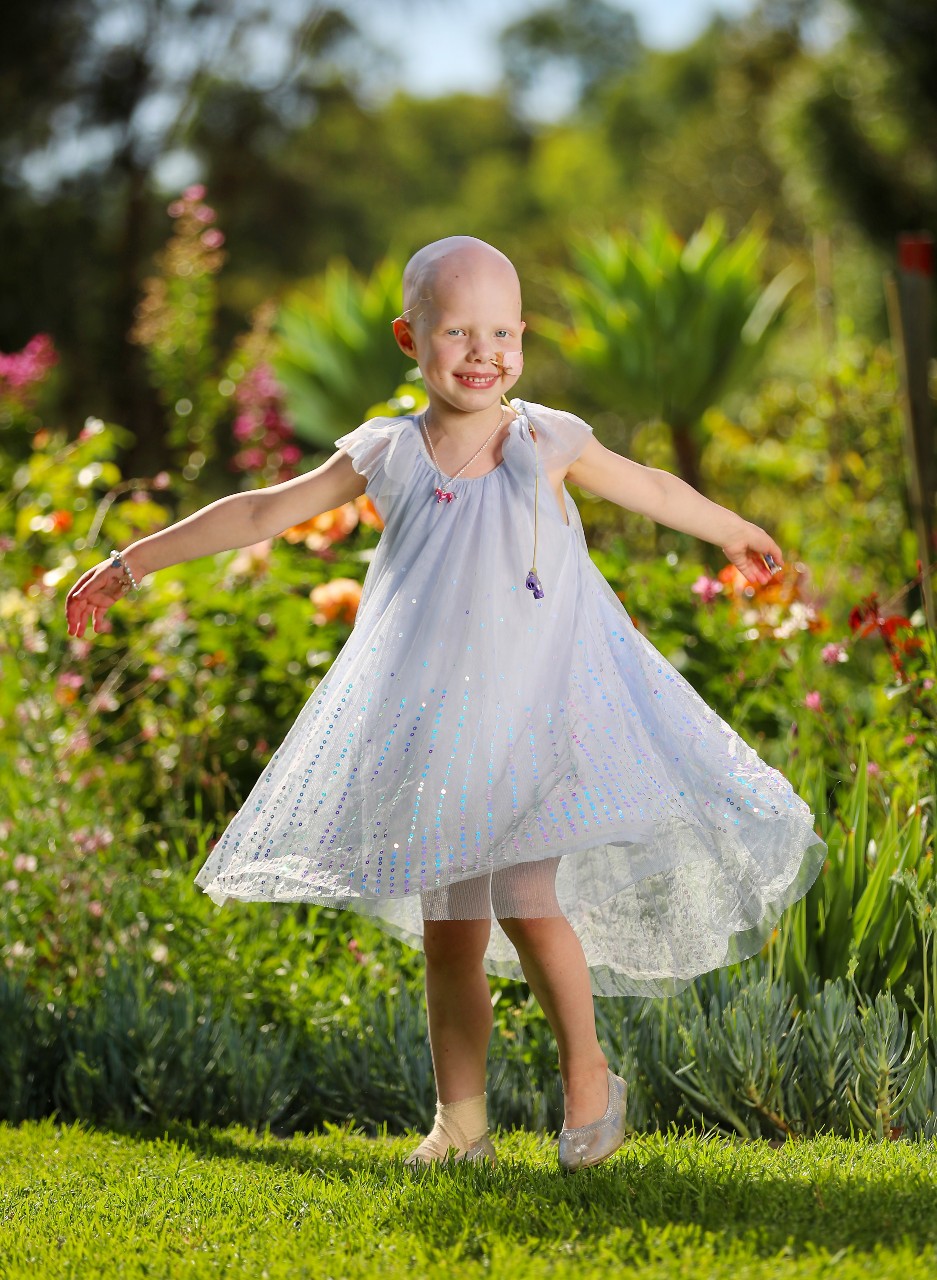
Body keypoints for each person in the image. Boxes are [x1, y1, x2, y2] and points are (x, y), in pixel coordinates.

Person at [65, 235, 826, 1171]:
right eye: (457, 330)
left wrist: (729, 527)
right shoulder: (386, 450)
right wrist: (129, 561)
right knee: (451, 933)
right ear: (407, 337)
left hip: (540, 711)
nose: (482, 352)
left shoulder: (545, 438)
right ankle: (459, 1122)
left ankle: (587, 1076)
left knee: (524, 890)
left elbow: (648, 485)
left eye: (501, 331)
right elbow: (263, 511)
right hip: (441, 727)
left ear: (522, 338)